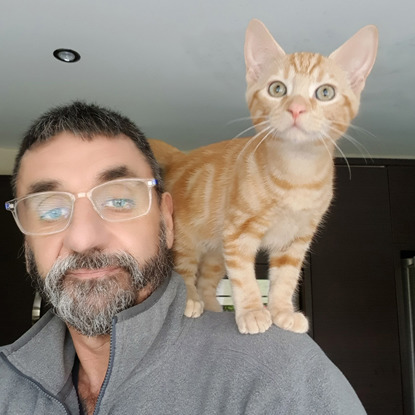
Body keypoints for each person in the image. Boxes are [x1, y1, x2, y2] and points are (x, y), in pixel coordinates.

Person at [0, 101, 366, 415]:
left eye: (120, 200)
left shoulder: (280, 372)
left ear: (167, 220)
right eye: (49, 210)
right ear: (26, 239)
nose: (83, 238)